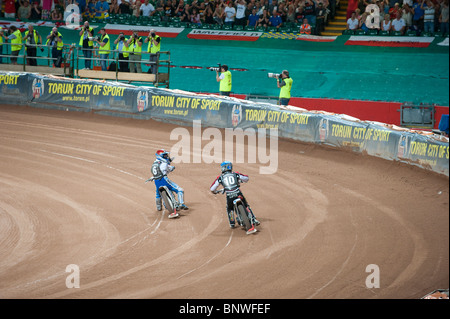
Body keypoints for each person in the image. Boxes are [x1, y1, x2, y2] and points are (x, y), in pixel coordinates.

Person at [210, 161, 259, 234]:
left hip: (229, 196)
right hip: (238, 193)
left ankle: (232, 222)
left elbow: (212, 188)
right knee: (246, 205)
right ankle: (253, 219)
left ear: (223, 168)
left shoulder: (220, 177)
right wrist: (240, 181)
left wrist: (216, 191)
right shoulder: (235, 174)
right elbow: (246, 178)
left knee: (229, 208)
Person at [150, 149, 188, 217]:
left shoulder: (154, 163)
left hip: (156, 181)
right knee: (179, 190)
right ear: (160, 156)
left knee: (158, 194)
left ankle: (159, 207)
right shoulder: (164, 164)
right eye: (164, 155)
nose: (166, 156)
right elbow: (167, 169)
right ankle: (181, 204)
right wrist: (171, 167)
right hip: (164, 180)